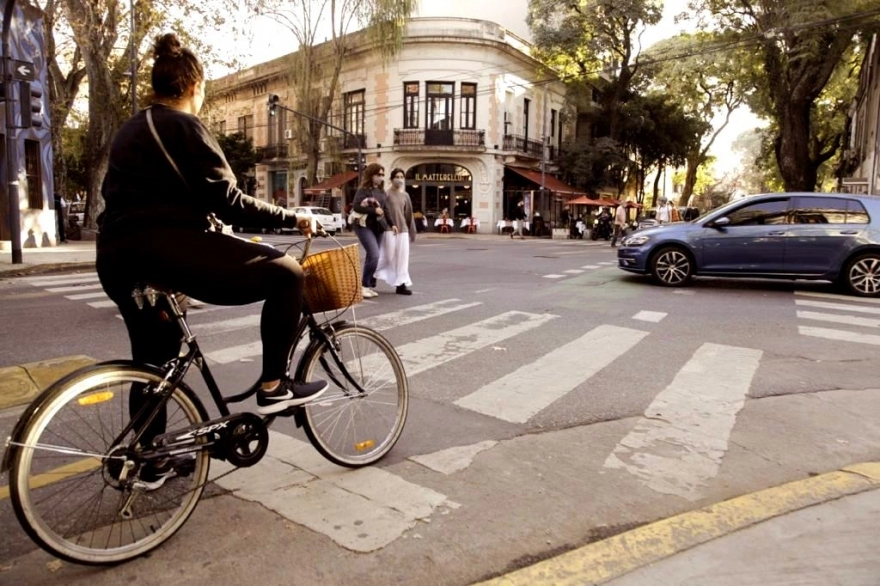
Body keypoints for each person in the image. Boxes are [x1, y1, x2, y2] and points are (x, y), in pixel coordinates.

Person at [97, 33, 328, 488]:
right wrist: (294, 217)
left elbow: (161, 198)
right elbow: (230, 202)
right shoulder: (184, 126)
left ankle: (148, 461)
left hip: (117, 256)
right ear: (194, 86)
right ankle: (273, 386)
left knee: (154, 361)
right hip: (165, 249)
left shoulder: (129, 129)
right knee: (286, 274)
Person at [375, 168, 417, 295]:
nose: (399, 179)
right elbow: (381, 212)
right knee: (388, 256)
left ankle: (401, 285)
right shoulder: (385, 194)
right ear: (392, 179)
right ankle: (372, 276)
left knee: (402, 258)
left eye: (401, 176)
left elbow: (409, 214)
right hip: (389, 230)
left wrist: (412, 231)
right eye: (397, 176)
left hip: (403, 230)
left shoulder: (406, 196)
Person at [350, 163, 388, 298]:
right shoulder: (363, 190)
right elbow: (356, 207)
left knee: (373, 257)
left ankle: (367, 285)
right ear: (371, 175)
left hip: (378, 227)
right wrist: (373, 210)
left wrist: (392, 224)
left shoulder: (382, 192)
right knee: (374, 254)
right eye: (378, 175)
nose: (381, 177)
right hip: (363, 225)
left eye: (383, 175)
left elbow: (386, 209)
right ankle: (364, 286)